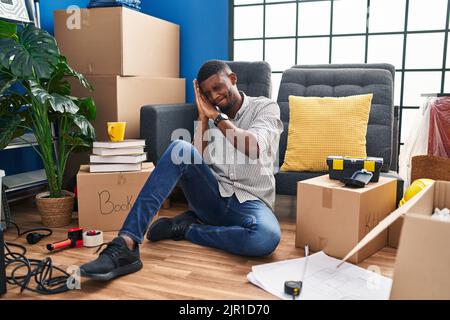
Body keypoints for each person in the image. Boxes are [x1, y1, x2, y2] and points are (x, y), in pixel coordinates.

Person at [80, 60, 284, 281]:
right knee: (180, 148)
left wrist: (217, 117)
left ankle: (188, 229)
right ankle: (126, 244)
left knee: (266, 238)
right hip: (213, 196)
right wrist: (203, 118)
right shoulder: (209, 114)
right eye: (207, 93)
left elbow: (253, 147)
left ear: (232, 79)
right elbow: (193, 162)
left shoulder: (265, 107)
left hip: (251, 203)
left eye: (217, 87)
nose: (214, 96)